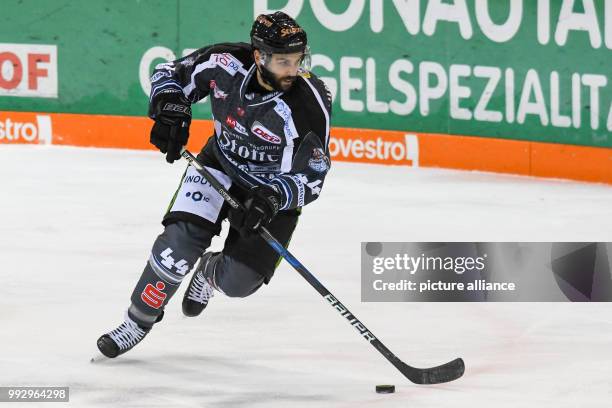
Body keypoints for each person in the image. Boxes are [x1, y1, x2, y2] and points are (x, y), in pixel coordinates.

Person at [96, 11, 332, 358]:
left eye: (298, 60)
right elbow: (169, 74)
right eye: (283, 61)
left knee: (239, 283)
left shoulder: (309, 102)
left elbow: (313, 176)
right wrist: (170, 108)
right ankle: (138, 320)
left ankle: (209, 271)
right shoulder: (224, 63)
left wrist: (272, 197)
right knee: (176, 248)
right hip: (217, 165)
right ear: (259, 56)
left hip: (268, 194)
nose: (292, 70)